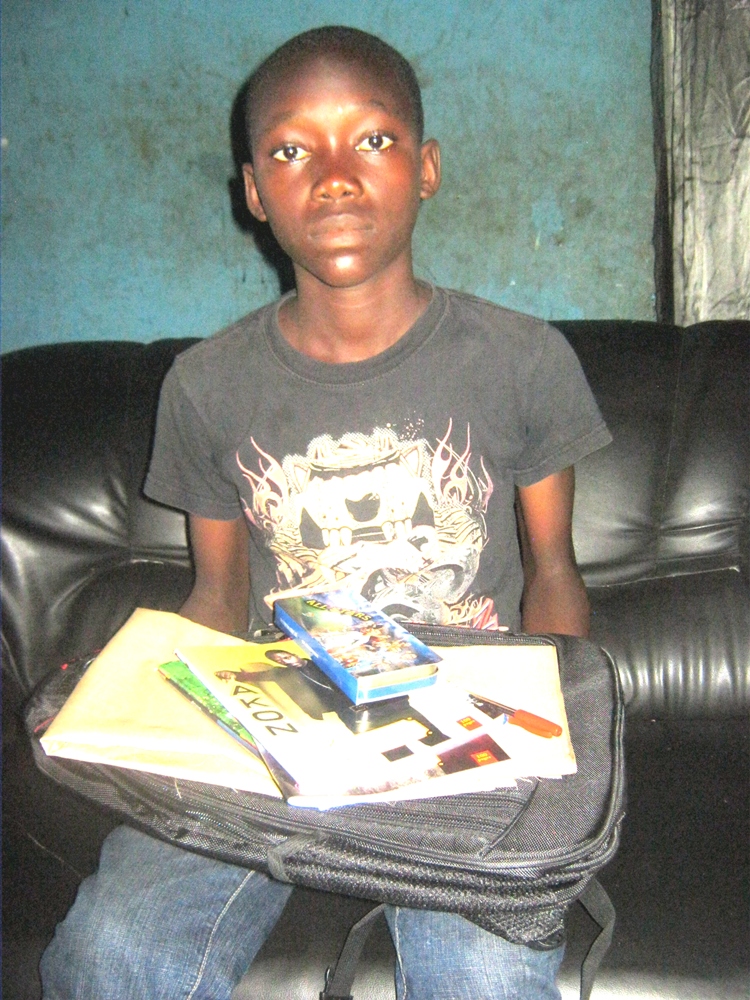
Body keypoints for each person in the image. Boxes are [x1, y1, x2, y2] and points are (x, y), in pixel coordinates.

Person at [40, 25, 611, 1000]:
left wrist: (548, 753)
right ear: (254, 192)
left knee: (485, 974)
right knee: (112, 954)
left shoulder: (522, 358)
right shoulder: (205, 384)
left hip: (459, 730)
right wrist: (139, 700)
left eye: (373, 140)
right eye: (293, 150)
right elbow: (216, 596)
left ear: (426, 169)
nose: (336, 177)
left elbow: (554, 574)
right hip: (279, 721)